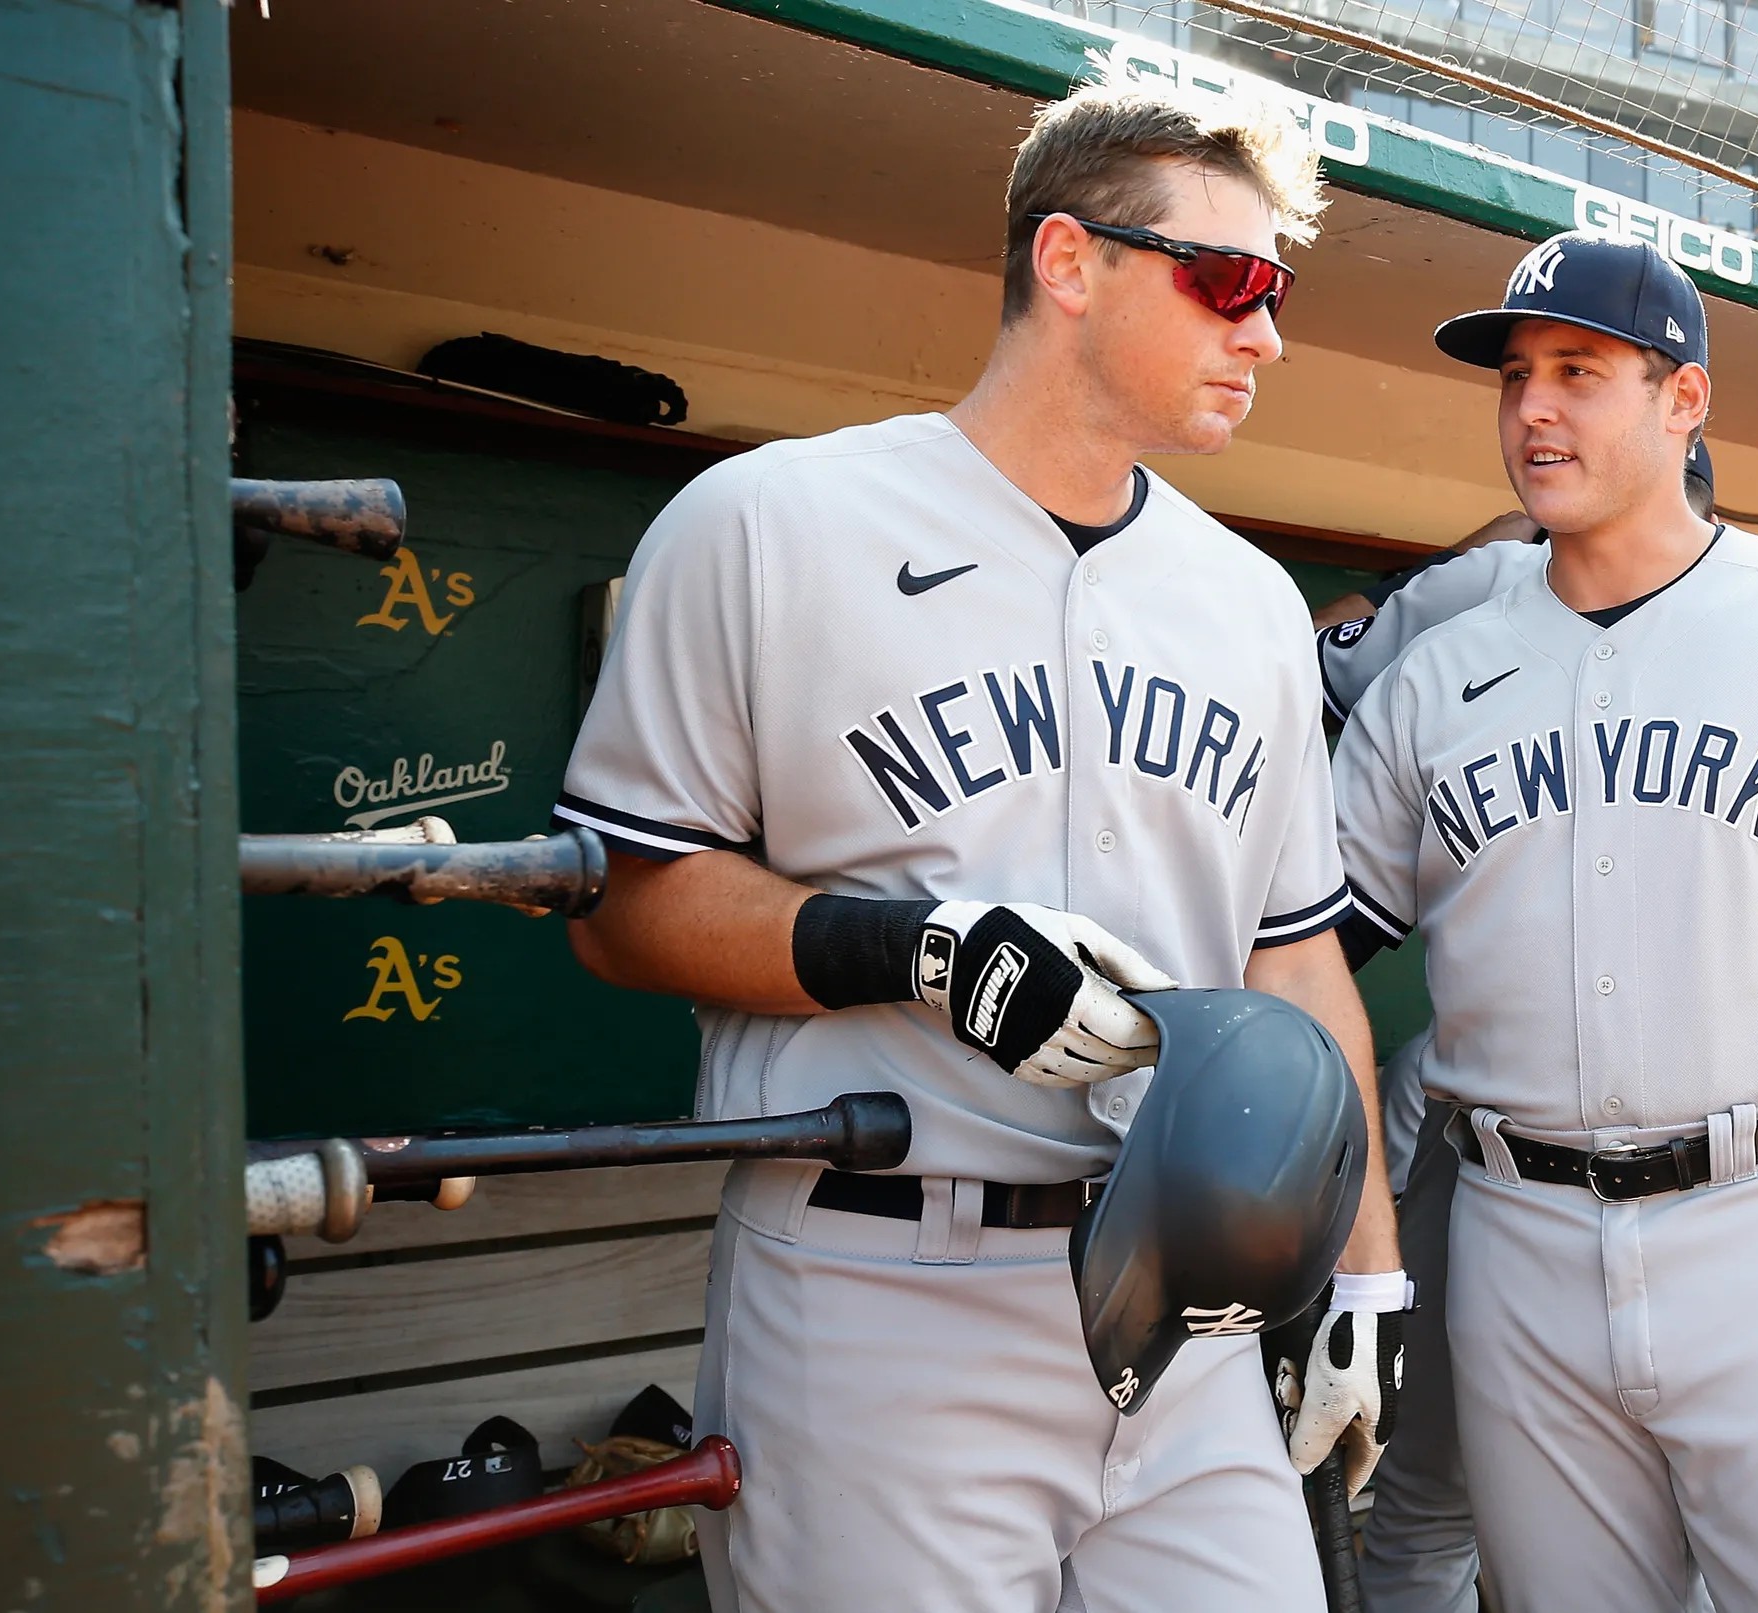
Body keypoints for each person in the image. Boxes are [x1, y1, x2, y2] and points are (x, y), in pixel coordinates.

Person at [554, 70, 1404, 1613]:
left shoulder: (1254, 605)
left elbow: (1296, 959)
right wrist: (913, 950)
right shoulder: (764, 525)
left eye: (1277, 294)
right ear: (1069, 264)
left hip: (1196, 1302)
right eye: (1231, 282)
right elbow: (620, 905)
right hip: (883, 1278)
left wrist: (1364, 1262)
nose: (1267, 333)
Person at [1330, 230, 1758, 1612]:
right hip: (1514, 1236)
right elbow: (1310, 947)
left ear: (1684, 398)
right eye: (1516, 375)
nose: (1533, 408)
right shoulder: (1436, 673)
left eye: (1580, 372)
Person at [1312, 437, 1718, 1613]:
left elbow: (1323, 651)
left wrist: (1423, 588)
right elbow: (1313, 667)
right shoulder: (1495, 588)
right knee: (1447, 1489)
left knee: (1472, 1494)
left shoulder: (1497, 579)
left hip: (1650, 1155)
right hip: (1500, 1136)